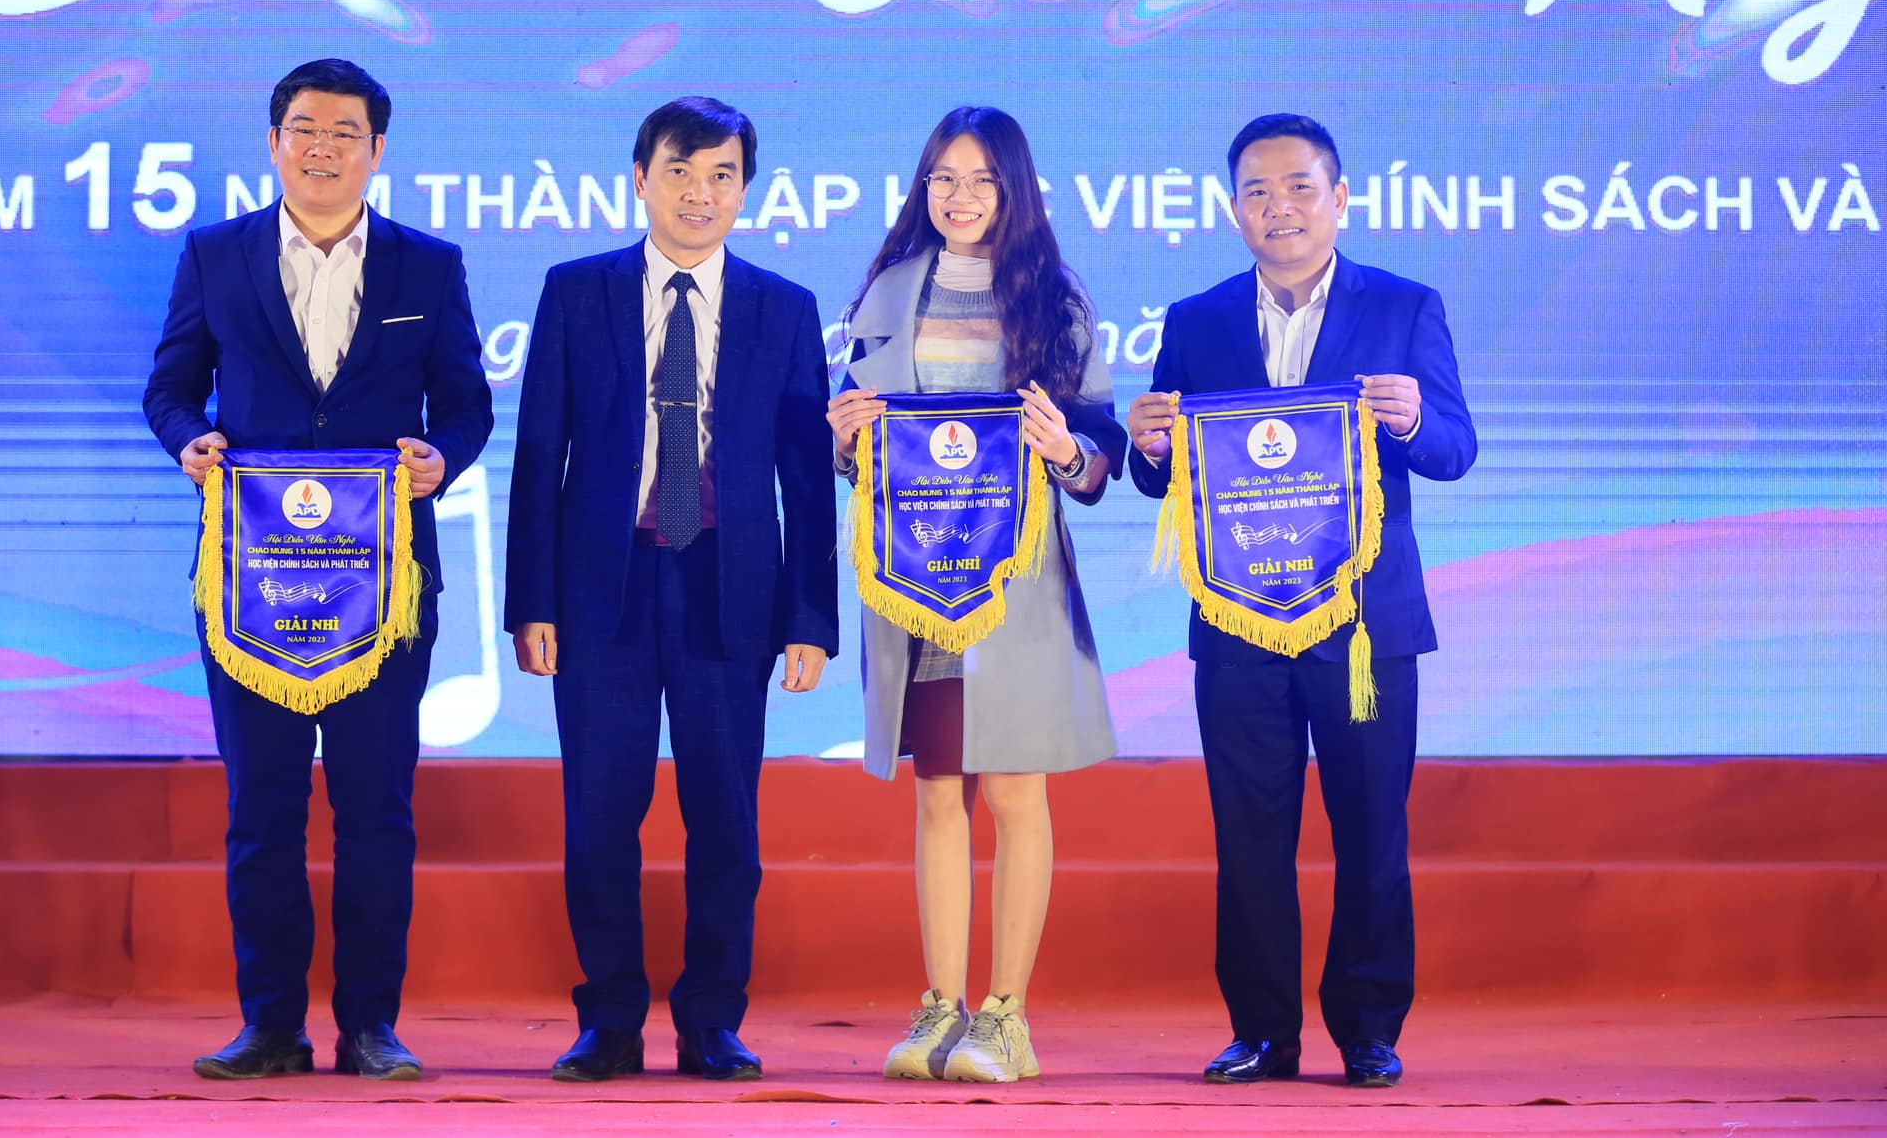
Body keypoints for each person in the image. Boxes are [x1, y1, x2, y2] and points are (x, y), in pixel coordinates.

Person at [143, 58, 495, 1082]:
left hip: (382, 587)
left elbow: (466, 405)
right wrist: (188, 440)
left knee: (375, 810)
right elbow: (169, 388)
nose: (322, 148)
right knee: (261, 811)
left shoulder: (428, 266)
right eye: (304, 129)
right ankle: (269, 1026)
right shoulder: (216, 254)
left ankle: (371, 1027)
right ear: (273, 143)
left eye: (345, 133)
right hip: (250, 583)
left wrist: (442, 457)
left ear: (377, 151)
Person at [1125, 113, 1476, 1088]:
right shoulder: (1195, 321)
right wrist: (1147, 445)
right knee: (1247, 838)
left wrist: (1413, 421)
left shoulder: (1403, 306)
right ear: (1232, 208)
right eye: (1256, 191)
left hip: (1363, 627)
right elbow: (1160, 473)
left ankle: (1368, 1030)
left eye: (1297, 187)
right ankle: (1260, 1031)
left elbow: (1455, 449)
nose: (1277, 207)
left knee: (1371, 831)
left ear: (1339, 198)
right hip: (1237, 622)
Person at [504, 96, 838, 1083]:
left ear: (745, 190)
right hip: (600, 587)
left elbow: (804, 478)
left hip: (728, 584)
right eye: (679, 172)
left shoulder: (783, 307)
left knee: (725, 816)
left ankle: (710, 1021)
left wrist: (809, 618)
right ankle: (608, 1020)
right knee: (600, 812)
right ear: (639, 179)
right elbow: (538, 455)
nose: (699, 192)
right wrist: (532, 602)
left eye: (720, 175)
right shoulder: (577, 292)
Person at [827, 107, 1123, 1084]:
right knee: (938, 790)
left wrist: (1066, 447)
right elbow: (860, 449)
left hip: (1013, 579)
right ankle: (939, 1007)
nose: (959, 197)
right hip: (914, 577)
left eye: (982, 179)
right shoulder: (887, 291)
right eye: (943, 178)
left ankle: (1006, 1017)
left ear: (1015, 189)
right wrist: (844, 439)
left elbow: (1100, 450)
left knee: (1012, 788)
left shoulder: (1052, 297)